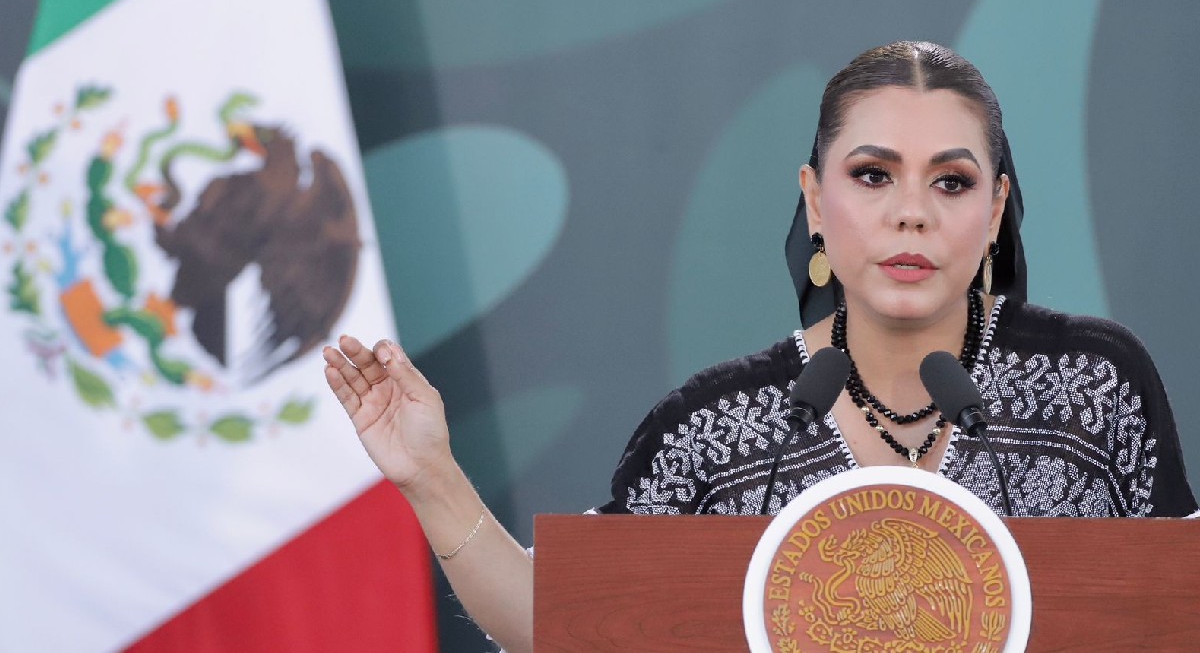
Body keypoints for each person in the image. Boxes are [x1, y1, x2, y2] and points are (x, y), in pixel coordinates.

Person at [322, 41, 1198, 653]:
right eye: (872, 174)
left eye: (952, 181)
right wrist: (430, 476)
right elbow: (564, 625)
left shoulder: (1095, 383)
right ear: (816, 201)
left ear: (996, 207)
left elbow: (1183, 608)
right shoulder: (716, 428)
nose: (911, 212)